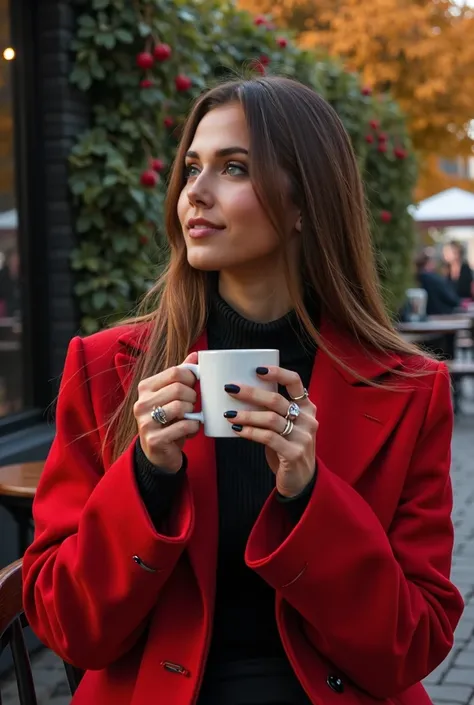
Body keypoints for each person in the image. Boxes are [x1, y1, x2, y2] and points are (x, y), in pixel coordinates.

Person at [23, 77, 463, 705]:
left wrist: (310, 496)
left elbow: (414, 644)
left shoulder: (408, 390)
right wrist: (146, 480)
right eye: (192, 167)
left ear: (306, 200)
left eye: (232, 168)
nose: (193, 193)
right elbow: (70, 628)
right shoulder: (107, 368)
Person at [416, 249, 460, 317]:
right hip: (442, 316)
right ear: (430, 263)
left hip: (424, 317)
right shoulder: (436, 280)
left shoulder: (415, 279)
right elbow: (452, 300)